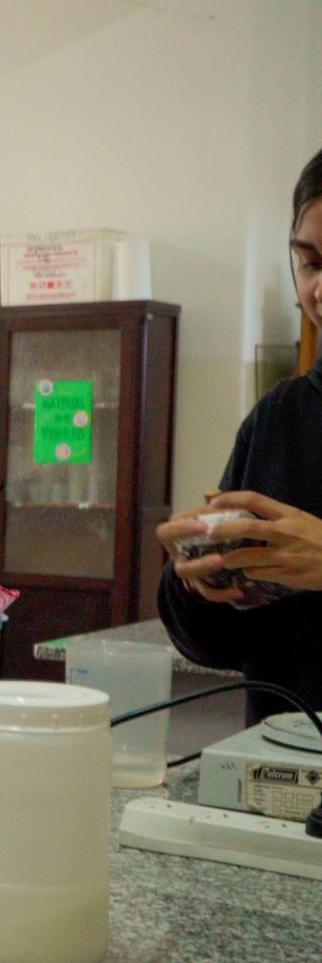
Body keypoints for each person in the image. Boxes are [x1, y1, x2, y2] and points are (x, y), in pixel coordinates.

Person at [156, 147, 322, 722]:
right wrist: (199, 581)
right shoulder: (280, 418)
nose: (320, 290)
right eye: (311, 263)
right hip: (282, 760)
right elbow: (216, 645)